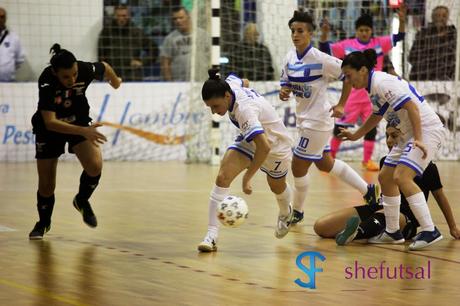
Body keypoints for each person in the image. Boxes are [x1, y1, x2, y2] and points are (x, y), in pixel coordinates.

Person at [337, 49, 446, 250]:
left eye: (349, 76)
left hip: (427, 130)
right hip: (408, 133)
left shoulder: (382, 82)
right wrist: (355, 135)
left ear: (362, 70)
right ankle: (393, 231)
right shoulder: (372, 87)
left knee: (402, 177)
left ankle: (430, 229)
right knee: (386, 176)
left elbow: (412, 108)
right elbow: (377, 116)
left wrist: (420, 139)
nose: (348, 81)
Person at [280, 10, 379, 226]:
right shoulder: (289, 57)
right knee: (325, 164)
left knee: (297, 165)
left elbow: (347, 75)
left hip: (318, 121)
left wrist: (342, 104)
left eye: (300, 31)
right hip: (303, 119)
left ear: (310, 34)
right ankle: (368, 189)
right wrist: (284, 91)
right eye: (293, 31)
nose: (295, 35)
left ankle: (297, 211)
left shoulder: (321, 59)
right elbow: (285, 81)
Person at [29, 44, 122, 239]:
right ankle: (43, 223)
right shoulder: (46, 80)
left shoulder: (84, 69)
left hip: (78, 119)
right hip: (50, 129)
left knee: (95, 166)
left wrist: (114, 80)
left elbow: (104, 66)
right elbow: (50, 122)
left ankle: (81, 200)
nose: (72, 80)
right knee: (46, 185)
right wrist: (83, 131)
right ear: (55, 72)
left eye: (74, 74)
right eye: (66, 77)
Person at [314, 124, 460, 245]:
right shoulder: (385, 161)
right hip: (382, 207)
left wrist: (453, 227)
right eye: (387, 135)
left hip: (405, 219)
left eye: (394, 136)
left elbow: (440, 197)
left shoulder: (427, 166)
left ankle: (355, 233)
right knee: (321, 226)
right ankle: (362, 229)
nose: (389, 141)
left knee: (384, 215)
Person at [197, 70, 294, 252]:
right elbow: (245, 81)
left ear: (227, 96)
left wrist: (247, 177)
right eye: (210, 108)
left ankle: (285, 212)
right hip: (251, 140)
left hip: (276, 148)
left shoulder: (244, 110)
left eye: (216, 106)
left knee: (276, 186)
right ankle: (211, 236)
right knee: (222, 177)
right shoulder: (229, 84)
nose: (215, 112)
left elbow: (264, 147)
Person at [319, 7, 406, 171]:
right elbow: (324, 49)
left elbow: (399, 37)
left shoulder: (379, 43)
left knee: (371, 128)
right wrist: (324, 33)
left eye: (367, 30)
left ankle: (367, 160)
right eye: (361, 30)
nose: (364, 33)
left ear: (371, 31)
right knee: (340, 126)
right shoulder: (347, 45)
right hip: (352, 95)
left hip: (372, 95)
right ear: (356, 31)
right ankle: (331, 157)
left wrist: (401, 21)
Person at [98, 5, 158, 81]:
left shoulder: (137, 32)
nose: (121, 19)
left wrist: (142, 62)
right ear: (114, 16)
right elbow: (100, 53)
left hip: (133, 76)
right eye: (118, 16)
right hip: (112, 75)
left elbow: (154, 50)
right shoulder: (107, 32)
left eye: (124, 16)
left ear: (129, 16)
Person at [408, 5, 457, 81]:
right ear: (432, 17)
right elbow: (412, 58)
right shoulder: (423, 35)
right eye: (437, 15)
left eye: (444, 16)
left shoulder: (454, 35)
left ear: (447, 18)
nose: (440, 18)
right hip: (423, 79)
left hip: (449, 79)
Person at [160, 6, 209, 81]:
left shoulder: (203, 35)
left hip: (202, 79)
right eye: (175, 19)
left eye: (181, 17)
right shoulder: (170, 39)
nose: (178, 21)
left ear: (188, 17)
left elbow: (212, 57)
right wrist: (169, 83)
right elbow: (165, 63)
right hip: (179, 81)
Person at [0, 7, 25, 81]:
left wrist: (7, 69)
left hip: (8, 81)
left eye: (2, 17)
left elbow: (19, 59)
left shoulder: (14, 38)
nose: (0, 19)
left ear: (5, 19)